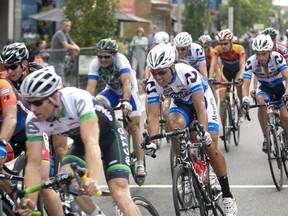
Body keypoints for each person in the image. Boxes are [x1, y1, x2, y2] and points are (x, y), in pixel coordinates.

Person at [18, 66, 141, 216]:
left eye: (37, 103)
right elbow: (34, 163)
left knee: (120, 194)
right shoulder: (33, 119)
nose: (32, 108)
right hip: (81, 142)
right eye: (28, 102)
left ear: (54, 97)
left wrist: (93, 179)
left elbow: (92, 142)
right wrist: (29, 198)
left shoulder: (77, 99)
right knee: (69, 180)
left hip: (110, 137)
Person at [145, 43, 237, 216]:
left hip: (202, 99)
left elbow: (200, 106)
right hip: (180, 104)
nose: (157, 77)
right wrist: (152, 141)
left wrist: (204, 133)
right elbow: (153, 115)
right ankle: (186, 169)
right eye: (154, 72)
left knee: (211, 146)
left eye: (162, 72)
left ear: (172, 67)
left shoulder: (186, 73)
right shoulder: (152, 83)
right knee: (172, 126)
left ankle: (227, 195)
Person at [86, 38, 146, 177]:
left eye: (107, 56)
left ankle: (140, 164)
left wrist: (126, 100)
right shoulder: (95, 64)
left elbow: (126, 82)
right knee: (97, 105)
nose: (103, 60)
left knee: (134, 126)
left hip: (129, 91)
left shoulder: (121, 60)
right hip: (112, 91)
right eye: (100, 56)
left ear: (113, 55)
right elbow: (90, 88)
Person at [242, 34, 288, 153]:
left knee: (285, 117)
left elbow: (287, 78)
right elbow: (246, 84)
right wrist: (245, 99)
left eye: (264, 54)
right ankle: (266, 137)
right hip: (265, 87)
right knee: (261, 103)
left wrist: (286, 94)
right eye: (257, 54)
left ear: (269, 52)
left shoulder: (277, 58)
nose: (260, 57)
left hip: (280, 86)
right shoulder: (251, 61)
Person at [208, 29, 246, 138]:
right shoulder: (217, 49)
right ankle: (224, 128)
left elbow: (242, 66)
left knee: (238, 85)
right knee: (222, 99)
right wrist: (211, 78)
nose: (223, 46)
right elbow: (213, 64)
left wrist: (241, 77)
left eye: (225, 44)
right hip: (226, 73)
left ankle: (240, 107)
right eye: (221, 44)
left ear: (231, 42)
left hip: (238, 71)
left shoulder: (239, 49)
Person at [198, 34, 220, 104]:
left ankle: (214, 106)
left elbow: (217, 69)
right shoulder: (197, 52)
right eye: (201, 47)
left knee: (212, 89)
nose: (203, 50)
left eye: (205, 47)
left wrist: (217, 82)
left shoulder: (212, 53)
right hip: (201, 70)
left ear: (209, 46)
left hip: (211, 70)